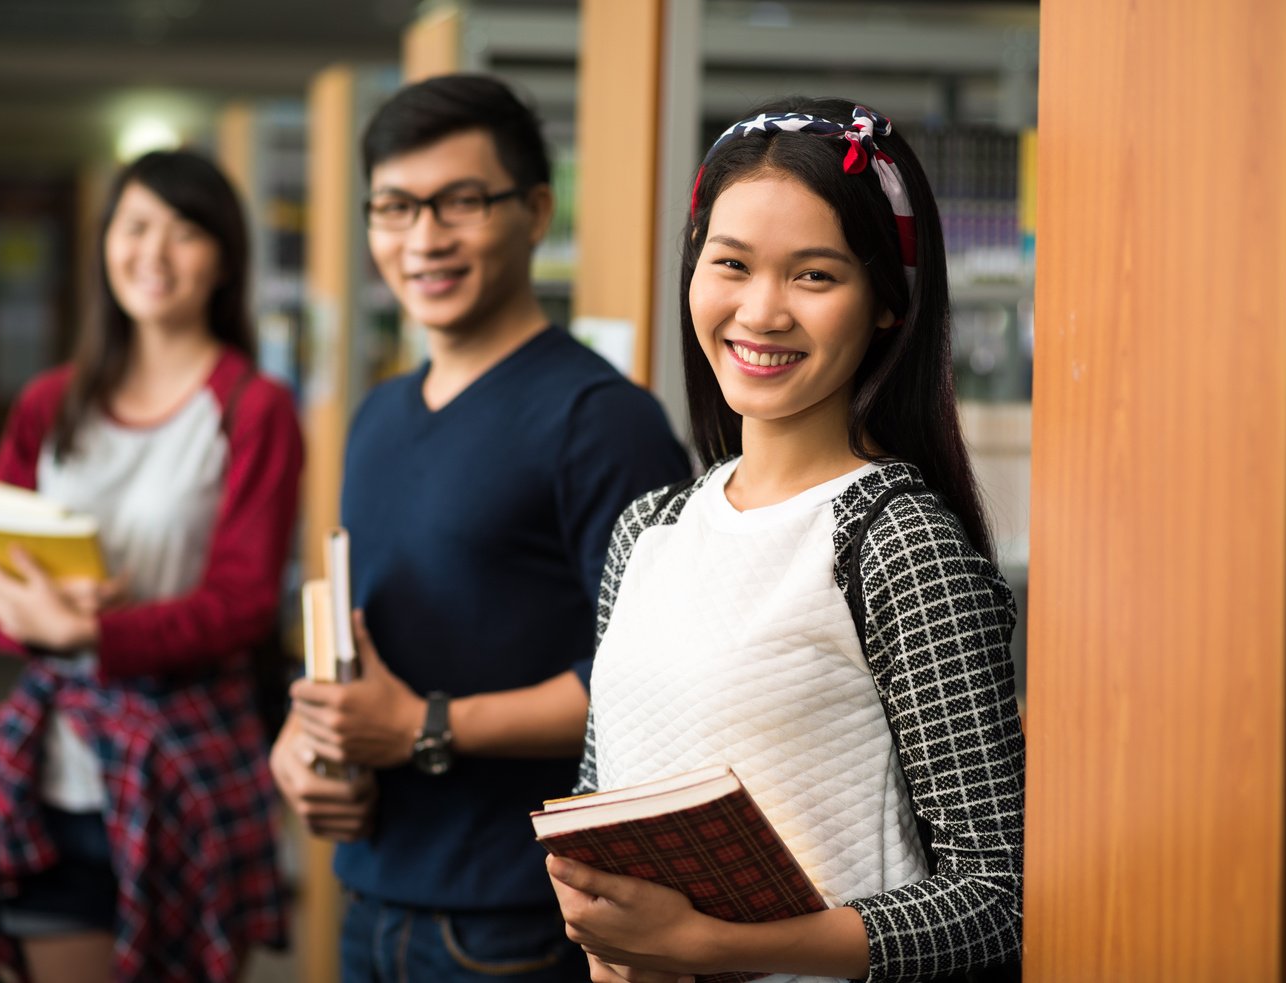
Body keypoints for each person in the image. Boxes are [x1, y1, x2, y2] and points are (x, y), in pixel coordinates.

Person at [545, 99, 1026, 983]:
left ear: (889, 303)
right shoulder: (647, 530)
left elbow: (999, 900)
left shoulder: (897, 539)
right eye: (730, 265)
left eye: (814, 276)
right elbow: (596, 801)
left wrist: (716, 947)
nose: (760, 312)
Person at [268, 73, 690, 982]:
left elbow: (657, 688)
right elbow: (371, 628)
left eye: (460, 201)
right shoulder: (377, 414)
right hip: (373, 889)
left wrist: (427, 726)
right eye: (394, 206)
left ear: (536, 211)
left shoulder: (603, 421)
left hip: (515, 920)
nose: (423, 238)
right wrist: (303, 740)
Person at [0, 149, 302, 983]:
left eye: (185, 233)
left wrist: (93, 630)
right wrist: (24, 616)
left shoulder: (254, 407)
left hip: (191, 764)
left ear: (223, 257)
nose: (154, 252)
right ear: (105, 240)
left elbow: (244, 601)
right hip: (55, 769)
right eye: (136, 226)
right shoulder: (51, 400)